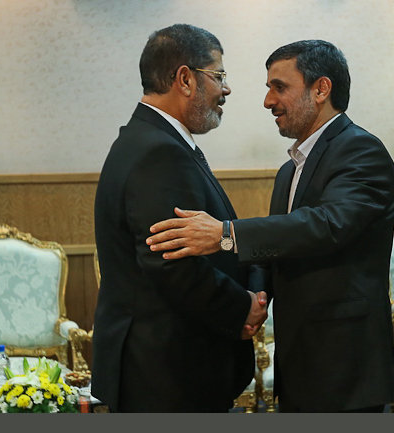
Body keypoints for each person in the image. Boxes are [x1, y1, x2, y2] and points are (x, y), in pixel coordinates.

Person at [146, 40, 394, 412]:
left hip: (345, 370)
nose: (268, 101)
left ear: (321, 89)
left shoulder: (361, 150)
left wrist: (226, 234)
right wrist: (252, 300)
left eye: (279, 87)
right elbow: (279, 250)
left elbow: (327, 225)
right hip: (298, 365)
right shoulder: (288, 171)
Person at [91, 24, 268, 413]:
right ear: (185, 79)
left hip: (163, 368)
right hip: (166, 374)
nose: (226, 89)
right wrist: (241, 308)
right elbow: (172, 263)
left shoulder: (150, 140)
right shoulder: (157, 152)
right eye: (219, 75)